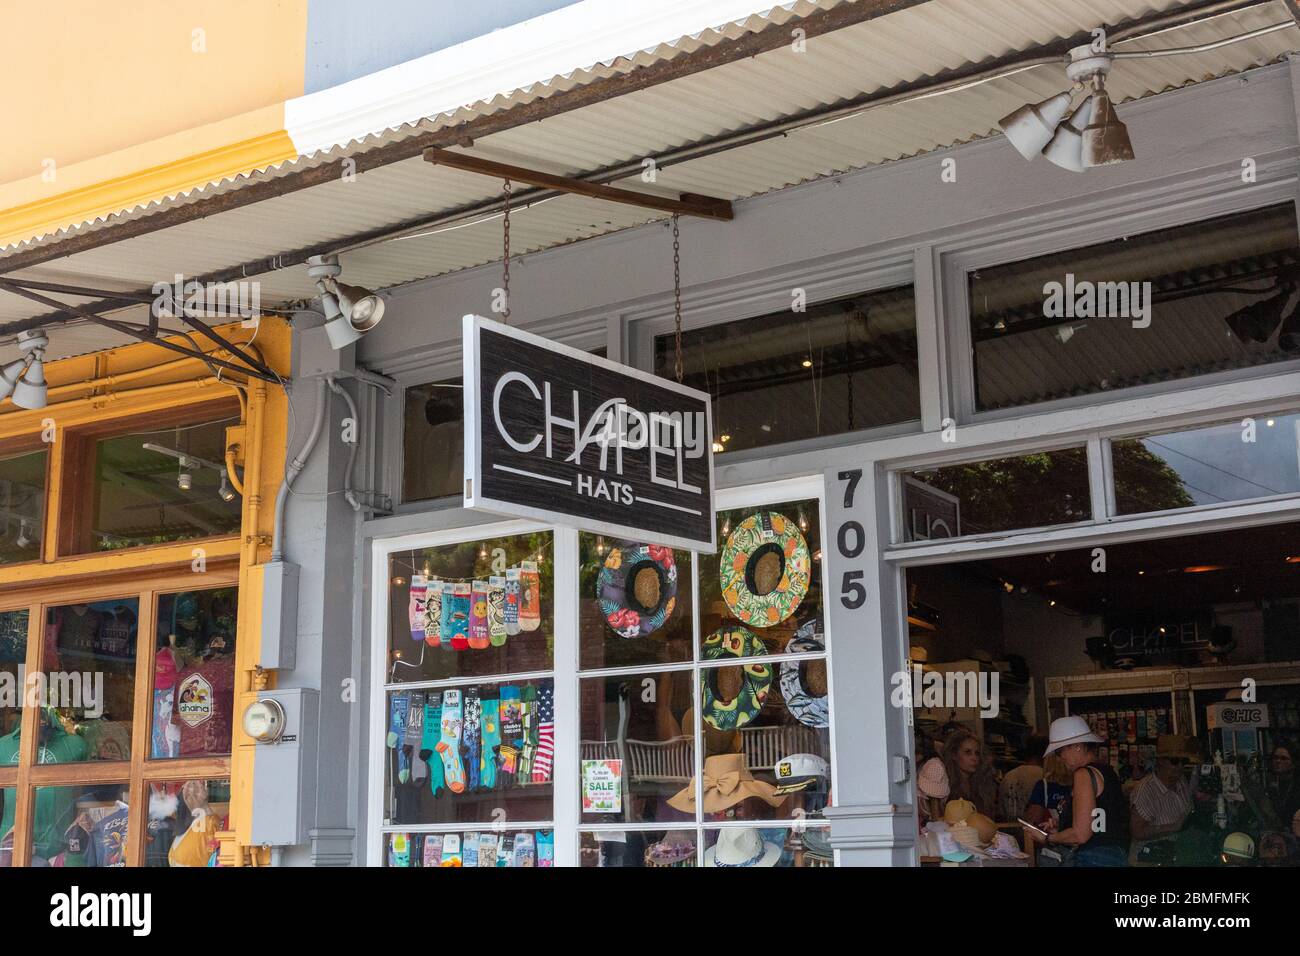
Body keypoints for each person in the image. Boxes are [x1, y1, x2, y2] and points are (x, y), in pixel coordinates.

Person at [1026, 716, 1130, 867]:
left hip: (1093, 858)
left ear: (1077, 746)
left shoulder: (1083, 774)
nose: (1060, 757)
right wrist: (1062, 827)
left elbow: (1081, 834)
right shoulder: (1107, 772)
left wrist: (1048, 838)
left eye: (1060, 751)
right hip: (1115, 855)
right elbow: (1099, 819)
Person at [1129, 735, 1199, 863]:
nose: (1180, 766)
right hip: (1149, 858)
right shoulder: (1146, 790)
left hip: (1175, 854)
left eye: (1184, 762)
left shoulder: (1181, 781)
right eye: (1174, 761)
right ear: (1161, 761)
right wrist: (1173, 827)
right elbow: (1137, 831)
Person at [941, 728, 998, 818]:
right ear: (954, 755)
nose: (974, 758)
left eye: (977, 753)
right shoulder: (945, 784)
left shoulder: (982, 784)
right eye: (968, 752)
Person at [998, 735, 1048, 822]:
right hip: (1036, 831)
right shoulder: (1046, 777)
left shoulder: (1009, 776)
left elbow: (1001, 812)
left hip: (1009, 829)